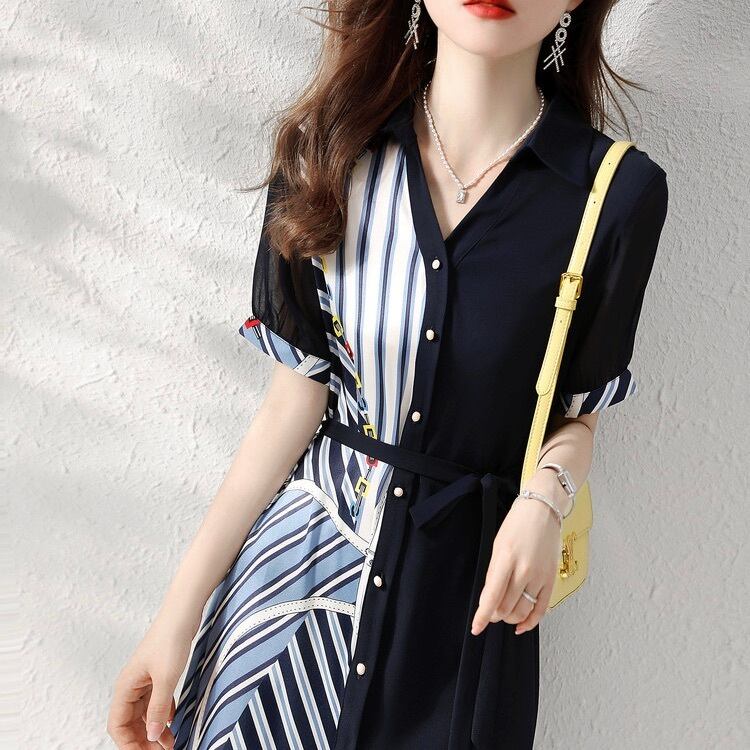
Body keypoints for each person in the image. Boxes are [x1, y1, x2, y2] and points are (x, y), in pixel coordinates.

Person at [107, 1, 670, 748]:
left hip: (460, 622)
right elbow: (290, 405)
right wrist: (174, 621)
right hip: (289, 610)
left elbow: (576, 412)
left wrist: (544, 501)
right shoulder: (329, 151)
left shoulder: (613, 194)